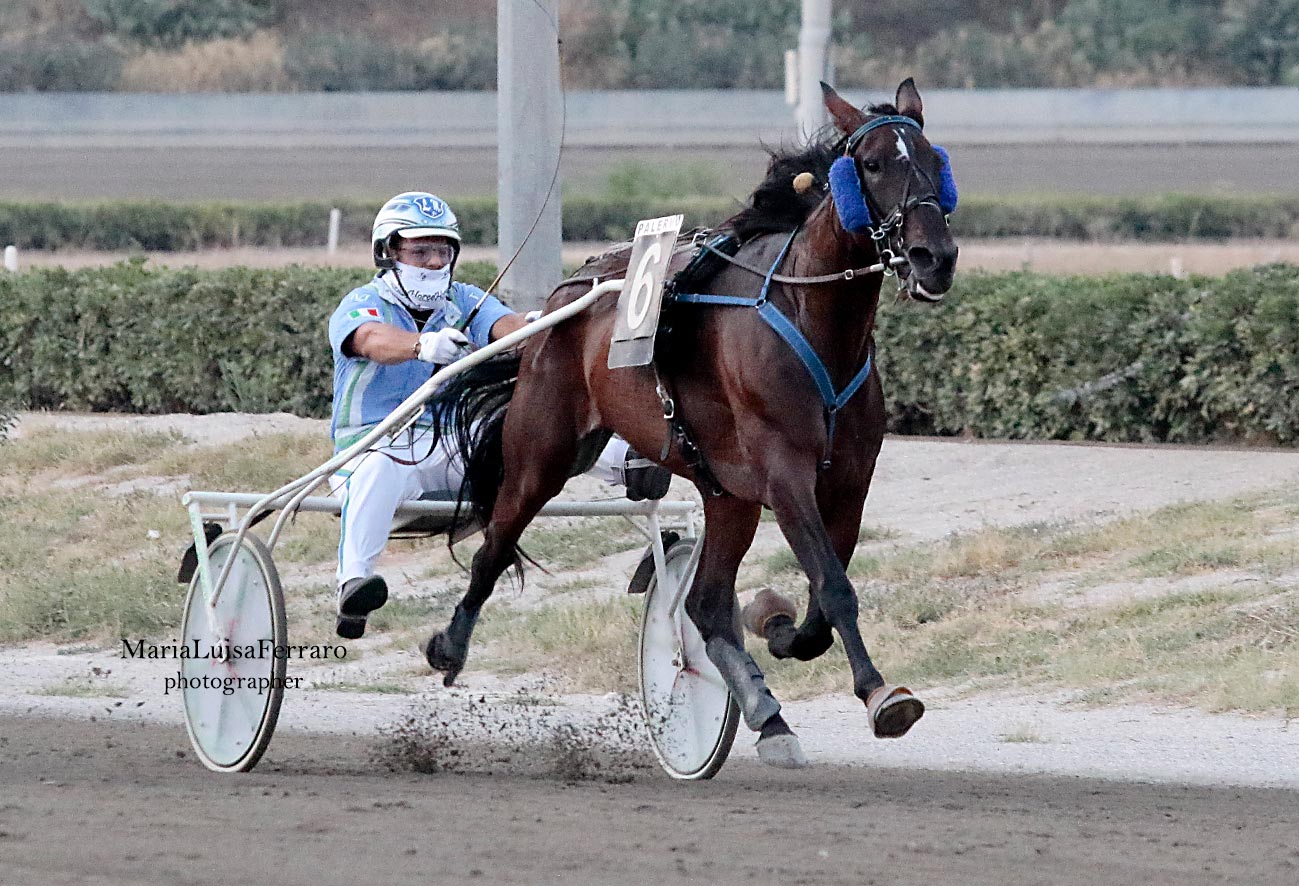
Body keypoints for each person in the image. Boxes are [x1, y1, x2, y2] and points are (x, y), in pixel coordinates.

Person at [327, 192, 669, 640]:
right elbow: (370, 339)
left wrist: (542, 325)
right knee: (378, 467)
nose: (433, 263)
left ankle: (631, 462)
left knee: (531, 431)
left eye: (442, 251)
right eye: (419, 251)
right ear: (388, 252)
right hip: (372, 445)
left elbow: (509, 328)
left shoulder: (464, 300)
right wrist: (420, 345)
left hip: (450, 443)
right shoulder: (363, 302)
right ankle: (353, 584)